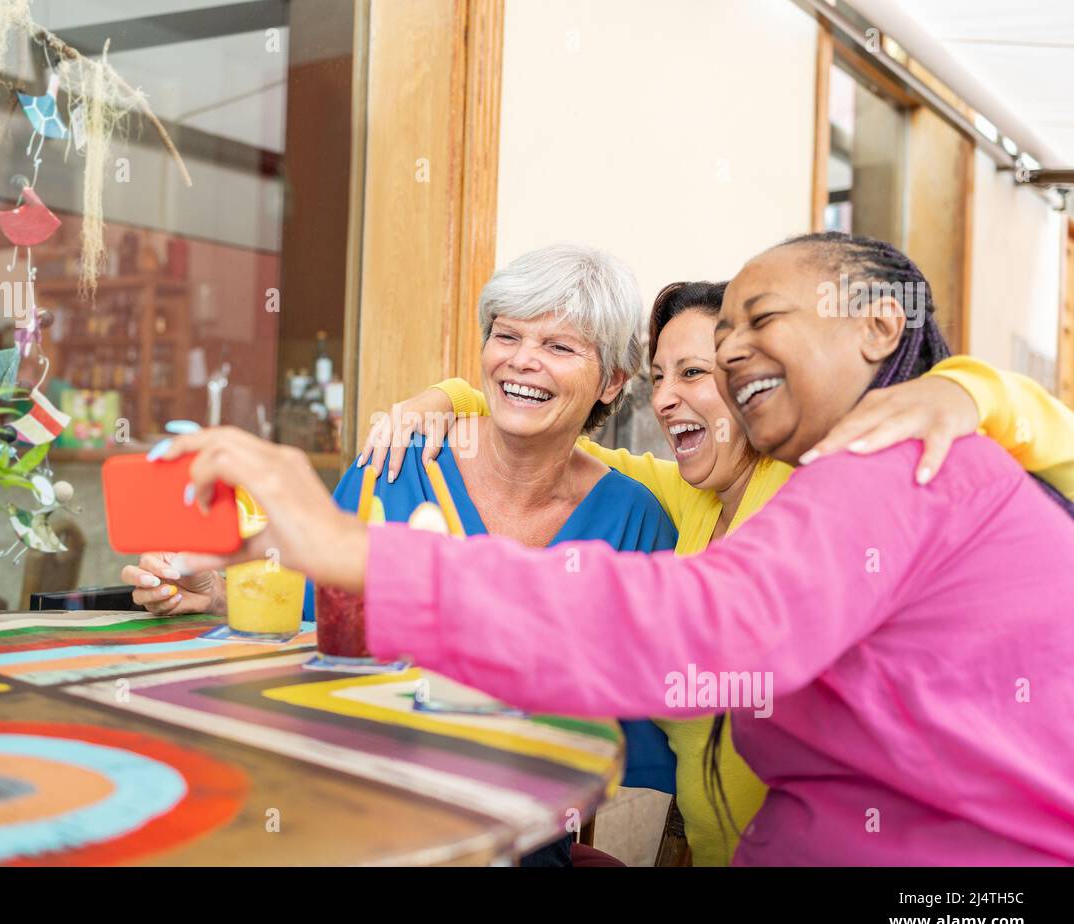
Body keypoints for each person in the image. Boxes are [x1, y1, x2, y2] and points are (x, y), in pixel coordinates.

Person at [161, 233, 1074, 864]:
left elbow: (704, 628)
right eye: (722, 340)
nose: (733, 355)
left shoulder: (900, 459)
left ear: (879, 326)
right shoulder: (844, 473)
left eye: (762, 320)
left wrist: (366, 554)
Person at [122, 244, 680, 863]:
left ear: (612, 381)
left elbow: (636, 731)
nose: (523, 361)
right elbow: (311, 623)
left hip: (511, 840)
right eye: (507, 335)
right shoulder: (396, 466)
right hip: (345, 812)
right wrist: (217, 594)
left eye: (560, 346)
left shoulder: (636, 521)